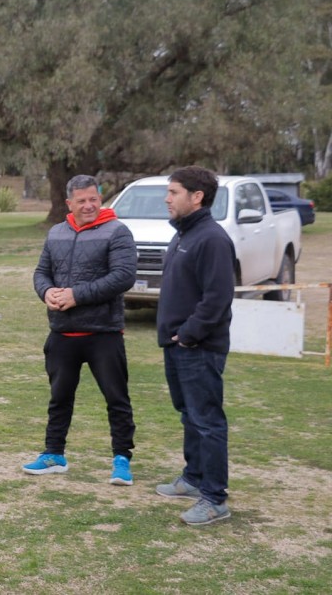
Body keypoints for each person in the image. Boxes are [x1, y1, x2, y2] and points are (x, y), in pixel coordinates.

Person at [25, 175, 138, 484]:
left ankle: (121, 459)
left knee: (117, 398)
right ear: (69, 203)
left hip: (103, 333)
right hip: (62, 333)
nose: (89, 205)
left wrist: (76, 295)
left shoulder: (117, 231)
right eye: (82, 200)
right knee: (59, 398)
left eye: (94, 199)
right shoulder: (56, 232)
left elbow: (124, 276)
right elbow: (41, 272)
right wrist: (46, 292)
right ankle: (54, 454)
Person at [155, 166, 235, 526]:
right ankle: (193, 477)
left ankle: (214, 498)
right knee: (190, 416)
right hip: (177, 345)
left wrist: (188, 334)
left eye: (174, 192)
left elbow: (217, 298)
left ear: (196, 196)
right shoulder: (183, 234)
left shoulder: (212, 239)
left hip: (198, 347)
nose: (167, 198)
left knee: (207, 421)